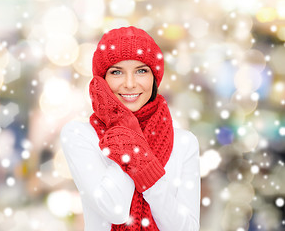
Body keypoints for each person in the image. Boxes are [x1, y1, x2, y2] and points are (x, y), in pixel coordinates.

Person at [60, 26, 200, 231]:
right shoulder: (80, 135)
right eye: (117, 72)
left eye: (141, 71)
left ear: (154, 77)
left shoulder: (184, 142)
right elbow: (114, 209)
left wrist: (144, 167)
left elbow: (185, 228)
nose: (130, 84)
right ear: (102, 80)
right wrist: (126, 133)